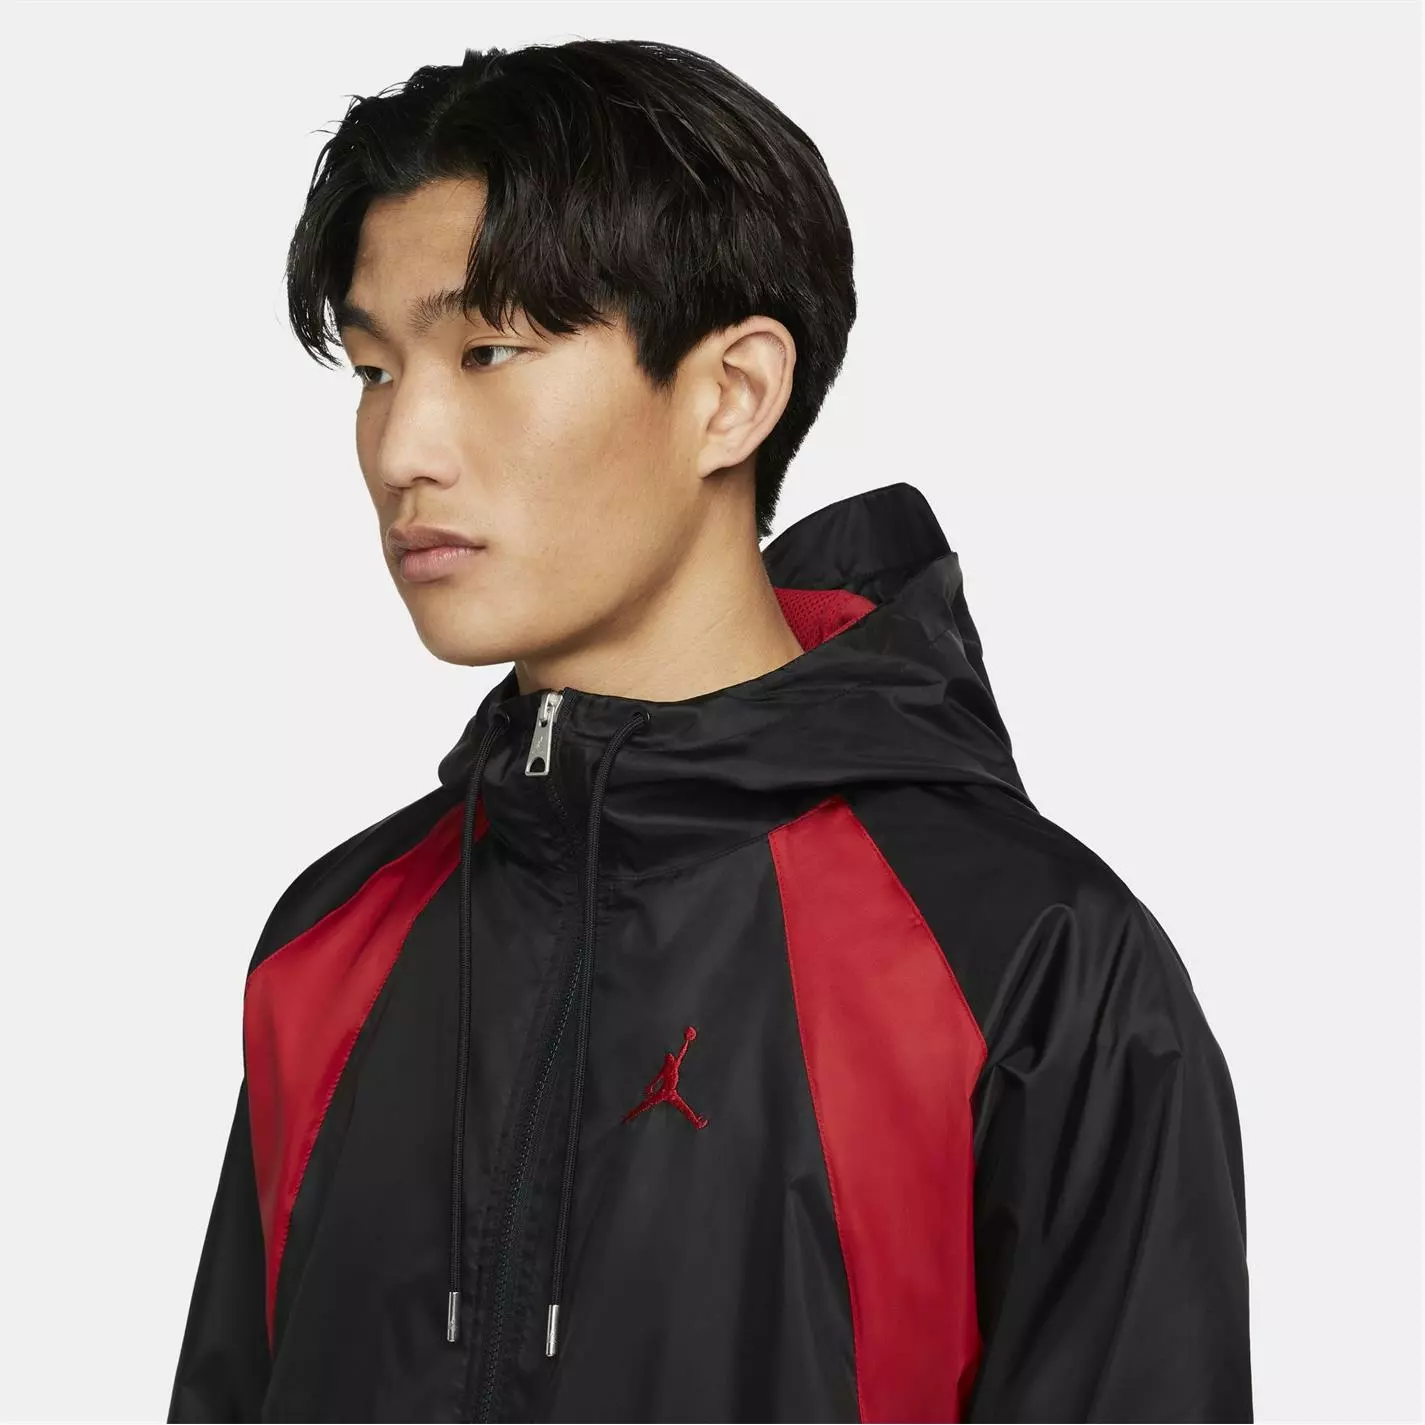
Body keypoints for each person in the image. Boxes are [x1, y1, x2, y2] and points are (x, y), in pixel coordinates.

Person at [167, 37, 1252, 1424]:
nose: (400, 450)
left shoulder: (1029, 961)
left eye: (487, 351)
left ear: (731, 394)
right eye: (376, 371)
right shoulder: (333, 942)